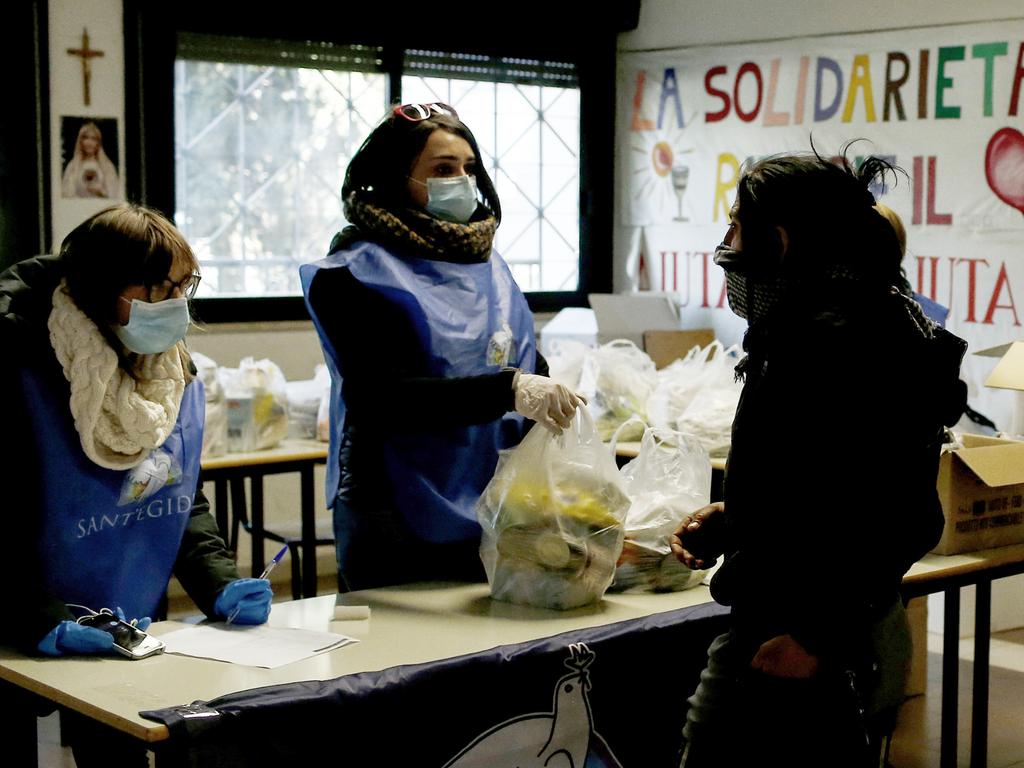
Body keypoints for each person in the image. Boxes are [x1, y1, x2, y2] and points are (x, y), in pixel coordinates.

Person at [669, 148, 968, 767]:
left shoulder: (842, 346)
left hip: (807, 632)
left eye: (736, 226)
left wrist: (816, 636)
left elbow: (902, 514)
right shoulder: (812, 330)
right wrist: (737, 518)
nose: (726, 244)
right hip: (802, 618)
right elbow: (831, 486)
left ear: (778, 242)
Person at [0, 203, 273, 765]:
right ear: (100, 291)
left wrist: (218, 581)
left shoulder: (169, 375)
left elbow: (172, 490)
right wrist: (39, 619)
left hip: (120, 627)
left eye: (182, 285)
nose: (173, 304)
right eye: (154, 288)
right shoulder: (18, 373)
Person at [301, 101, 584, 591]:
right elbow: (382, 399)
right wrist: (509, 390)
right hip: (392, 509)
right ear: (396, 176)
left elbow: (521, 359)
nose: (462, 181)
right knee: (399, 660)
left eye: (470, 168)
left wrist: (545, 390)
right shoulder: (353, 273)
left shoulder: (491, 268)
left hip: (493, 496)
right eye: (443, 169)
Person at [61, 120, 120, 199]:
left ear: (98, 143)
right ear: (80, 141)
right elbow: (65, 194)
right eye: (86, 138)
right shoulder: (73, 166)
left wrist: (101, 192)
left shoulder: (107, 166)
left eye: (93, 139)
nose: (89, 142)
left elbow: (115, 195)